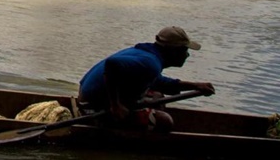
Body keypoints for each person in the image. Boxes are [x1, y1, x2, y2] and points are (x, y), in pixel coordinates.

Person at [78, 26, 216, 131]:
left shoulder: (148, 56)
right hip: (92, 107)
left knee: (157, 95)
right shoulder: (151, 63)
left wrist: (195, 86)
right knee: (165, 121)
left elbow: (158, 82)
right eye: (185, 51)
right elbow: (112, 64)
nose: (187, 55)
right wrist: (116, 106)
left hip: (89, 97)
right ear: (174, 51)